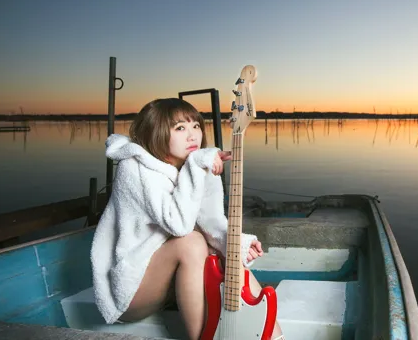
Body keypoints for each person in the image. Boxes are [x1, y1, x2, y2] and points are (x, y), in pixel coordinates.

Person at [90, 98, 284, 340]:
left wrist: (238, 244)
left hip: (168, 281)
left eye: (196, 126)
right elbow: (179, 225)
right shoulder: (134, 168)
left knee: (222, 250)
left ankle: (273, 336)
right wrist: (196, 165)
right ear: (156, 132)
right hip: (132, 291)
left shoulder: (192, 164)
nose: (193, 136)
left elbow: (211, 222)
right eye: (180, 128)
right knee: (191, 241)